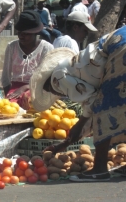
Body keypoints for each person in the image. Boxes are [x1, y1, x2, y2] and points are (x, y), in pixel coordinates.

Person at [30, 25, 126, 181]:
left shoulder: (57, 79)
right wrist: (63, 145)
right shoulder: (71, 67)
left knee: (106, 105)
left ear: (49, 86)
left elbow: (94, 102)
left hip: (121, 47)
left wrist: (79, 125)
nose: (56, 94)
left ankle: (100, 169)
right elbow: (90, 105)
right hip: (121, 37)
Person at [1, 10, 53, 110]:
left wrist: (26, 87)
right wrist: (9, 94)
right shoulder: (12, 47)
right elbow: (5, 77)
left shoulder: (46, 48)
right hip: (15, 87)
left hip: (39, 88)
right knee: (9, 107)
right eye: (19, 33)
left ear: (35, 33)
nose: (21, 36)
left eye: (26, 34)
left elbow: (46, 79)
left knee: (29, 103)